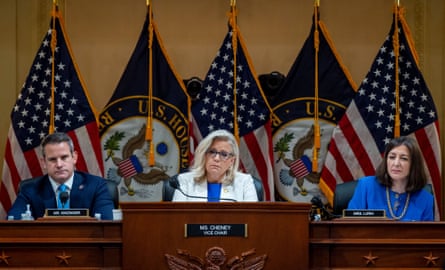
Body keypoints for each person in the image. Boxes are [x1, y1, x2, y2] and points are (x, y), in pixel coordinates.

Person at [7, 132, 114, 220]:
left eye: (64, 157)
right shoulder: (29, 190)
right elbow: (13, 224)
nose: (59, 165)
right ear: (44, 162)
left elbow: (107, 225)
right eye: (52, 159)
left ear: (74, 157)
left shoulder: (97, 186)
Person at [347, 136, 434, 221]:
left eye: (404, 158)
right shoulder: (366, 186)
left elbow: (426, 234)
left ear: (414, 165)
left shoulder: (426, 199)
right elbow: (350, 226)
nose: (396, 163)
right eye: (392, 157)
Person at [172, 129, 258, 202]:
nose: (216, 158)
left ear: (232, 161)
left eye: (224, 154)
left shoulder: (245, 183)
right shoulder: (185, 181)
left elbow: (252, 218)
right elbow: (177, 218)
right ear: (204, 155)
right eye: (212, 152)